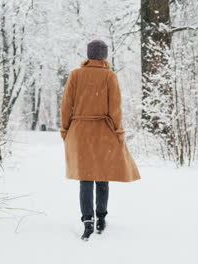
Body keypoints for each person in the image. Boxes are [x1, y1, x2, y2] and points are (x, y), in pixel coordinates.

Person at [60, 40, 141, 241]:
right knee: (102, 175)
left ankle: (87, 219)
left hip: (79, 131)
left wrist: (65, 129)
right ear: (104, 56)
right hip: (103, 130)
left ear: (88, 55)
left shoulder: (75, 75)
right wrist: (118, 131)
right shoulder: (110, 76)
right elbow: (115, 108)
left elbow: (66, 105)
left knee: (85, 177)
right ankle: (101, 218)